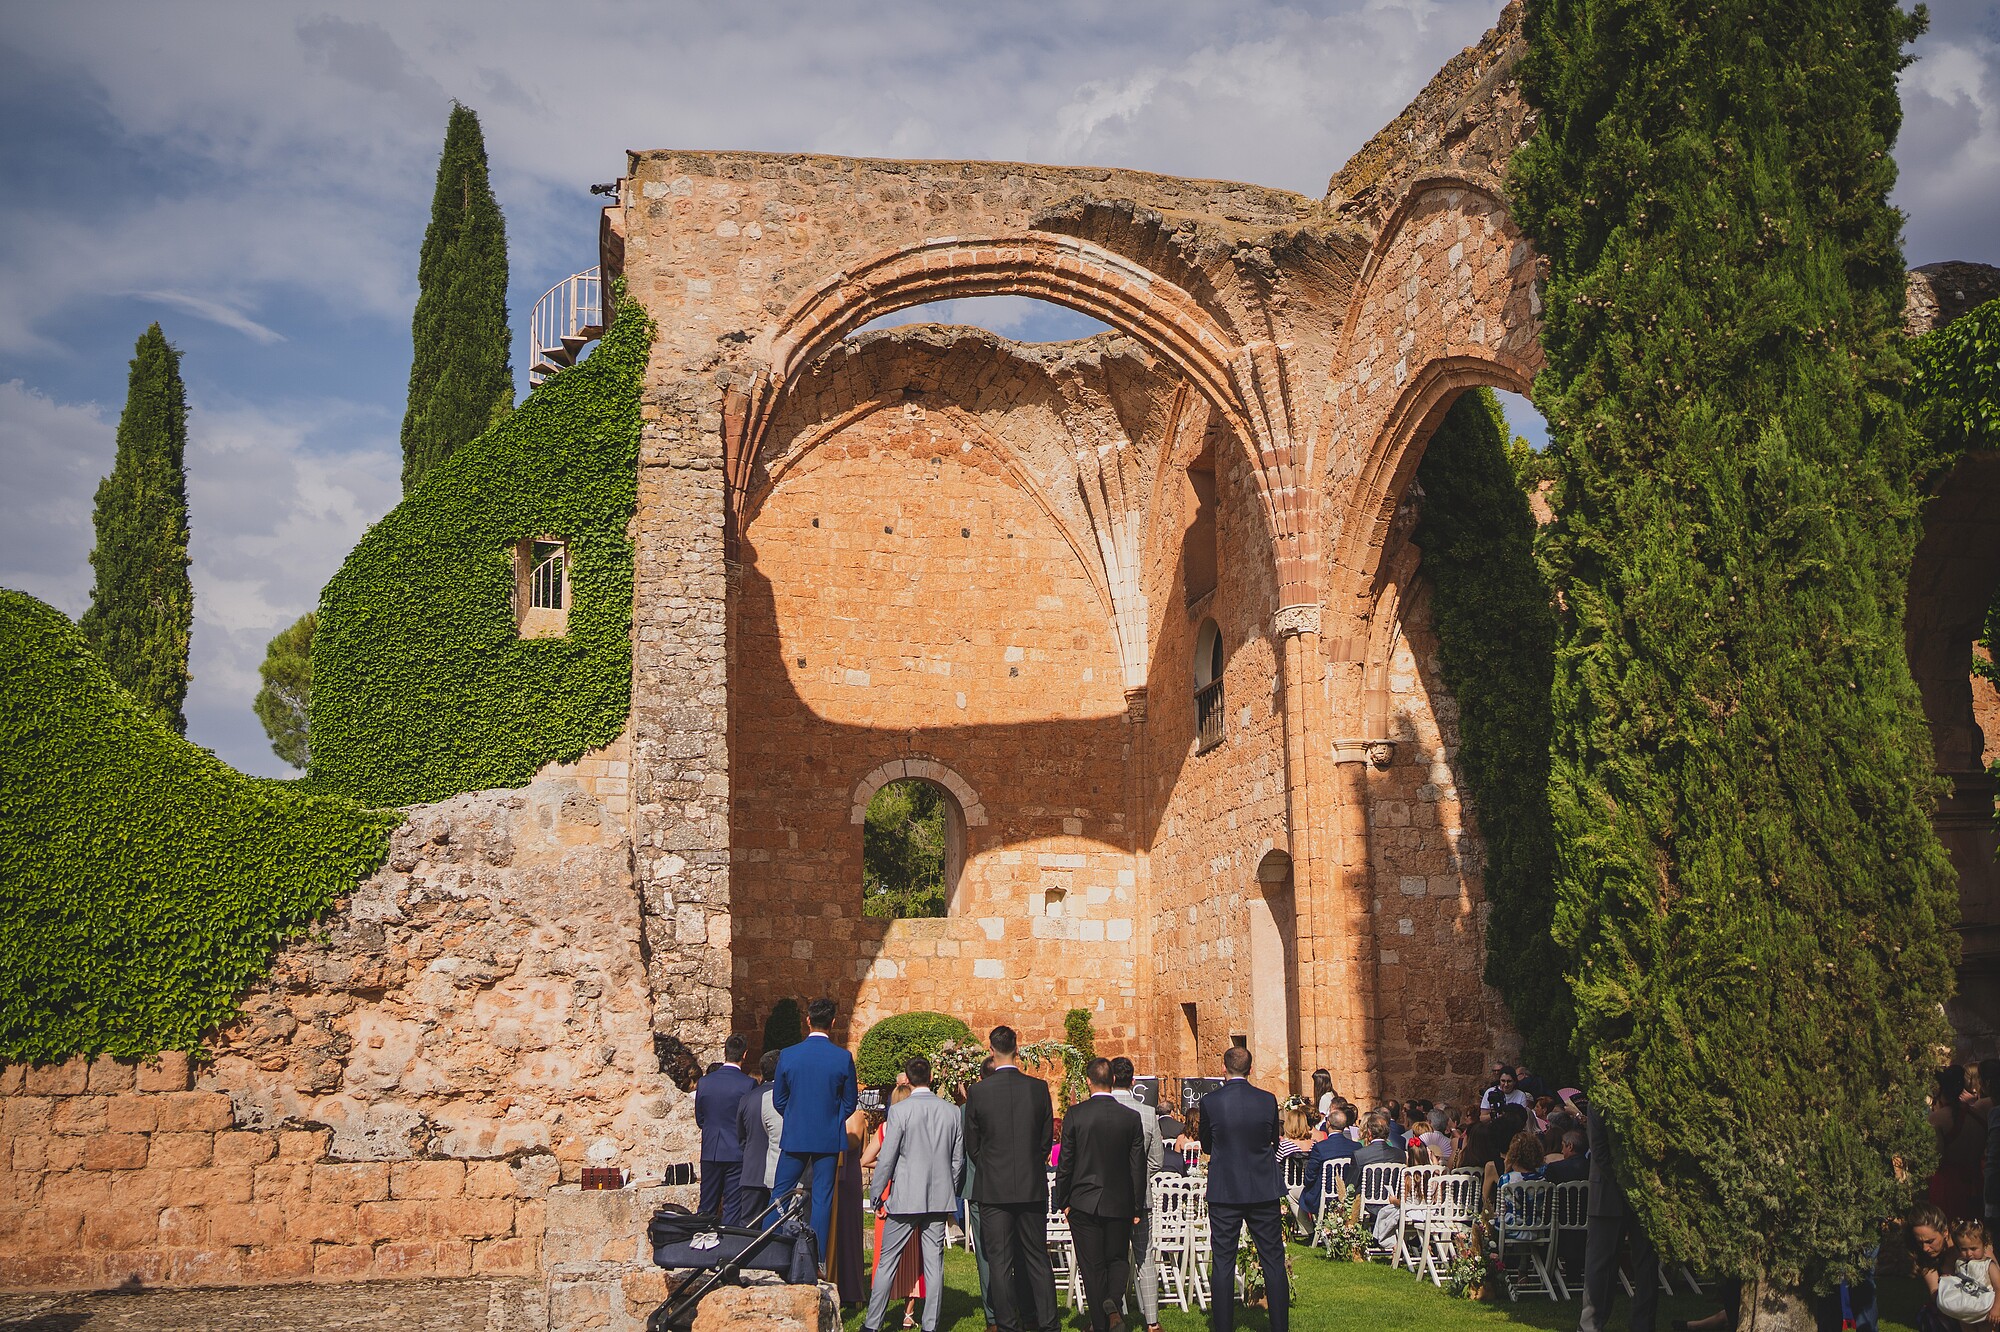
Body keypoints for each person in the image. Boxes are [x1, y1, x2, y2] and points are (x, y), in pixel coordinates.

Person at [964, 1025, 1058, 1332]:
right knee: (1037, 1258)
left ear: (991, 1051)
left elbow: (973, 1144)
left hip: (993, 1188)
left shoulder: (979, 1091)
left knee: (1000, 1261)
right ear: (1017, 1049)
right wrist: (1031, 1162)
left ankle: (1006, 1323)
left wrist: (991, 1166)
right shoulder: (1038, 1088)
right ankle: (1048, 1323)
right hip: (1030, 1184)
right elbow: (1046, 1139)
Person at [862, 1056, 963, 1332]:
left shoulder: (900, 1111)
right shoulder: (952, 1112)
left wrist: (876, 1193)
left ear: (907, 1079)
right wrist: (947, 1188)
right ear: (930, 1078)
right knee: (934, 1264)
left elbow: (888, 1157)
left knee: (887, 1263)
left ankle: (872, 1324)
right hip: (938, 1198)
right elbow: (957, 1161)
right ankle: (930, 1325)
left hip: (905, 1197)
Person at [1198, 1045, 1289, 1332]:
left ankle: (1223, 1326)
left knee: (1223, 1259)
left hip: (1226, 1188)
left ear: (1223, 1068)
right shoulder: (1267, 1100)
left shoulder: (1211, 1102)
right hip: (1262, 1185)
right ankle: (1279, 1326)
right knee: (1272, 1258)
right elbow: (1272, 1139)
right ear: (1250, 1069)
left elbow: (1206, 1144)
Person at [1054, 1058, 1148, 1332]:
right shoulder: (1131, 1118)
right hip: (1119, 1202)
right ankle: (1112, 1308)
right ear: (1114, 1081)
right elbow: (1137, 1165)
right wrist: (1136, 1207)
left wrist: (1063, 1201)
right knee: (1118, 1259)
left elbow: (1066, 1162)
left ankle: (1102, 1319)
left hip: (1084, 1201)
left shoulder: (1076, 1115)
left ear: (1088, 1081)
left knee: (1092, 1266)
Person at [771, 997, 860, 1263]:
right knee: (822, 1199)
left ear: (807, 1021)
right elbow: (849, 1101)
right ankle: (816, 1259)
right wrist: (831, 1119)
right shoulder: (842, 1057)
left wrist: (795, 1116)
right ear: (833, 1023)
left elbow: (779, 1099)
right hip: (827, 1137)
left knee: (780, 1194)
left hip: (796, 1134)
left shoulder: (788, 1054)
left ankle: (770, 1249)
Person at [1579, 1104, 1659, 1332]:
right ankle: (1591, 1326)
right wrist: (1628, 1185)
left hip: (1644, 1193)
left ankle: (1643, 1325)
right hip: (1607, 1191)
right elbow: (1600, 1150)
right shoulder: (1600, 1101)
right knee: (1599, 1266)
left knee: (1646, 1265)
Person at [862, 1084, 927, 1328]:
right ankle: (909, 1313)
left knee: (885, 1256)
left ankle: (879, 1310)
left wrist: (886, 1165)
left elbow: (865, 1159)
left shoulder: (885, 1128)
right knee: (914, 1253)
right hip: (914, 1190)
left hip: (889, 1192)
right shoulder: (919, 1128)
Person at [1108, 1056, 1164, 1332]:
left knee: (1112, 1257)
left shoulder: (1104, 1110)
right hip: (1141, 1198)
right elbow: (1156, 1161)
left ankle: (1112, 1314)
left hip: (1109, 1199)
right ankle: (1152, 1322)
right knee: (1145, 1258)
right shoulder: (1148, 1113)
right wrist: (1138, 1177)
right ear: (1133, 1081)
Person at [694, 1034, 757, 1220]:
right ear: (744, 1055)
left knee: (706, 1204)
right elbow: (750, 1120)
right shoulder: (748, 1084)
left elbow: (700, 1119)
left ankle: (701, 1242)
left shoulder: (705, 1082)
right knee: (733, 1207)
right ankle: (729, 1245)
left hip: (711, 1149)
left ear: (725, 1052)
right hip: (736, 1151)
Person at [735, 1049, 782, 1224]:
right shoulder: (785, 1097)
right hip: (779, 1172)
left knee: (749, 1228)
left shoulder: (748, 1098)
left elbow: (741, 1135)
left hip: (753, 1171)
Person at [1934, 1066, 1986, 1221]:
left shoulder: (1937, 1119)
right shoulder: (1979, 1114)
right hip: (1978, 1183)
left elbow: (1937, 1158)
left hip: (1950, 1187)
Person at [1908, 1203, 1955, 1332]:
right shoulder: (1923, 1254)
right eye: (1920, 1242)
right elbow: (1934, 1291)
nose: (1925, 1248)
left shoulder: (1965, 1245)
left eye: (1930, 1241)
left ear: (1945, 1232)